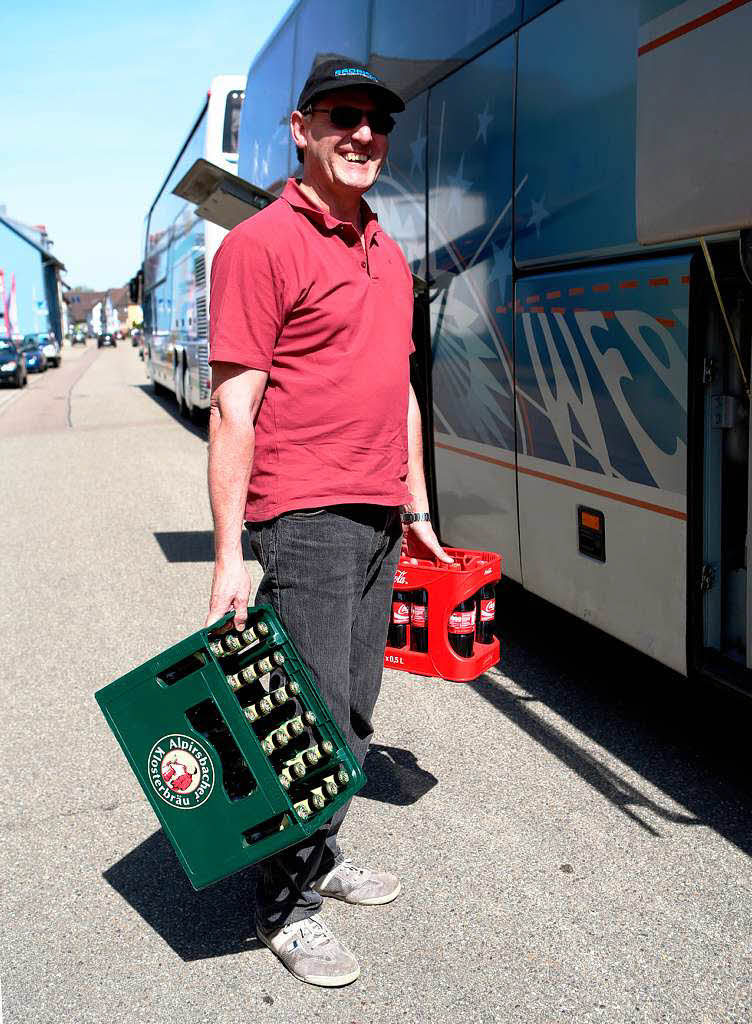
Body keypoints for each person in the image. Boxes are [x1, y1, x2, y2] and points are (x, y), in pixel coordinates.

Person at [206, 59, 451, 987]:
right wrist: (231, 553)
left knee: (353, 709)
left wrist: (418, 505)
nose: (363, 136)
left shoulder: (388, 253)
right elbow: (233, 408)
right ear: (301, 127)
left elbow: (403, 396)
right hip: (304, 515)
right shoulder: (259, 246)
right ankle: (285, 904)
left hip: (380, 511)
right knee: (308, 723)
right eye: (344, 118)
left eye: (378, 122)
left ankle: (321, 853)